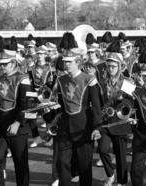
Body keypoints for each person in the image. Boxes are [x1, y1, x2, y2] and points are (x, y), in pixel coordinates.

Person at [53, 48, 102, 186]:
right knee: (62, 162)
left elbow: (97, 107)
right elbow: (61, 106)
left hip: (84, 127)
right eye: (65, 62)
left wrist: (98, 127)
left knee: (84, 165)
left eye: (70, 62)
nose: (66, 64)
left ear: (78, 62)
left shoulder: (89, 79)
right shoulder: (61, 80)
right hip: (65, 127)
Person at [0, 49, 32, 186]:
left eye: (5, 64)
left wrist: (18, 122)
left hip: (17, 128)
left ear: (13, 63)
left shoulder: (23, 78)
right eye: (0, 65)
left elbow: (27, 104)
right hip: (0, 126)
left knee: (20, 164)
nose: (1, 67)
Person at [97, 52, 133, 186]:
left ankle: (122, 181)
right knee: (102, 149)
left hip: (120, 122)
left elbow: (131, 103)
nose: (110, 69)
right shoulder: (102, 82)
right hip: (105, 122)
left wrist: (122, 100)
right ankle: (110, 174)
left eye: (113, 66)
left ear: (119, 66)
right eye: (108, 66)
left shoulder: (127, 82)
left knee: (121, 155)